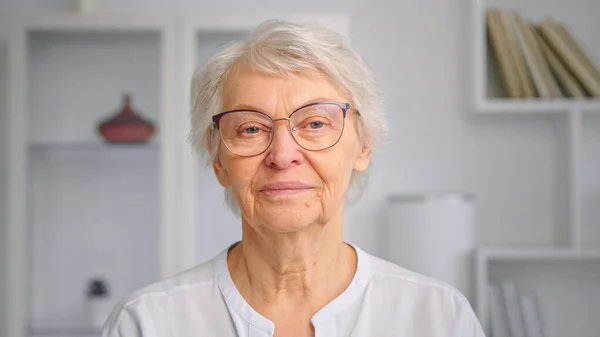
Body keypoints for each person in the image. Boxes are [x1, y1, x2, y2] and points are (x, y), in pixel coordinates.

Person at [102, 19, 485, 337]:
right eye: (251, 129)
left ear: (363, 145)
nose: (283, 156)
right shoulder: (147, 323)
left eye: (315, 123)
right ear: (218, 160)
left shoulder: (438, 318)